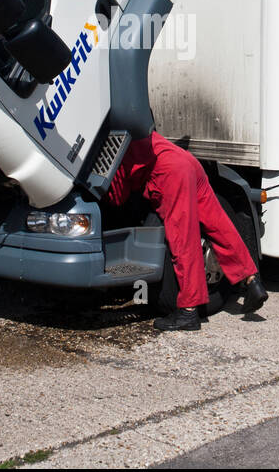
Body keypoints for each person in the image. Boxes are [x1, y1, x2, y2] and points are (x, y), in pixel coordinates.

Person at [107, 131, 268, 331]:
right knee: (219, 226)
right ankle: (252, 281)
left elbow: (117, 196)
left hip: (172, 173)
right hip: (190, 164)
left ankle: (189, 311)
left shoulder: (112, 145)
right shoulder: (133, 127)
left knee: (183, 240)